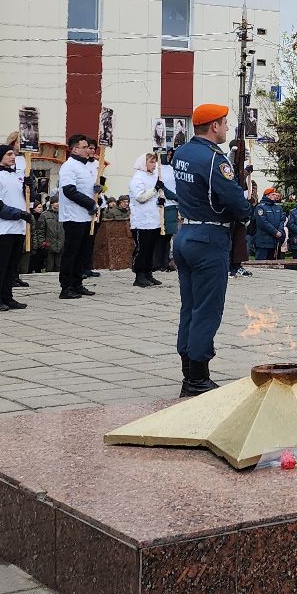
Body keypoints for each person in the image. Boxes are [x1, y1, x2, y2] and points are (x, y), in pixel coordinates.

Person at [169, 104, 251, 396]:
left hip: (186, 234)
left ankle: (188, 372)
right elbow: (232, 199)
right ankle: (198, 378)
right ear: (214, 126)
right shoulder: (216, 160)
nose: (226, 128)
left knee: (190, 307)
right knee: (207, 310)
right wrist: (247, 210)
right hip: (209, 237)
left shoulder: (182, 153)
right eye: (224, 124)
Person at [0, 144, 30, 311]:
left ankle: (7, 297)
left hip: (18, 227)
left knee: (12, 265)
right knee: (2, 264)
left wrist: (30, 186)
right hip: (3, 228)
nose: (13, 156)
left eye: (13, 154)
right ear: (0, 157)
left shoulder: (16, 176)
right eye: (9, 154)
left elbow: (24, 198)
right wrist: (18, 213)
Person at [58, 135, 101, 298]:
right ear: (74, 149)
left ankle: (77, 283)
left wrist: (98, 189)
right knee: (71, 252)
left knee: (82, 252)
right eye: (84, 147)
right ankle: (66, 286)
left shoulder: (85, 167)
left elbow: (88, 189)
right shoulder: (69, 166)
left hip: (85, 216)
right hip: (73, 215)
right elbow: (69, 191)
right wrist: (89, 203)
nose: (88, 150)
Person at [129, 152, 167, 287]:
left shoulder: (155, 176)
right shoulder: (138, 178)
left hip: (154, 218)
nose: (154, 164)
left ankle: (148, 273)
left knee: (151, 248)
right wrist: (155, 189)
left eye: (155, 162)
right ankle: (139, 275)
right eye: (151, 162)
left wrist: (161, 197)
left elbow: (158, 193)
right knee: (142, 249)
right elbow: (140, 197)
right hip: (141, 220)